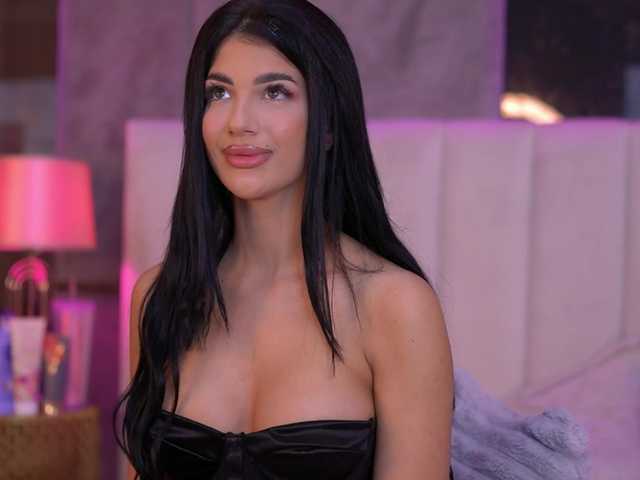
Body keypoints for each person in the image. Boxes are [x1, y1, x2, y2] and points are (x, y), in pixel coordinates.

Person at [113, 0, 455, 478]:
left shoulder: (396, 307)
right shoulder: (160, 297)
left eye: (275, 92)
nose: (239, 121)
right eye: (219, 93)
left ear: (329, 124)